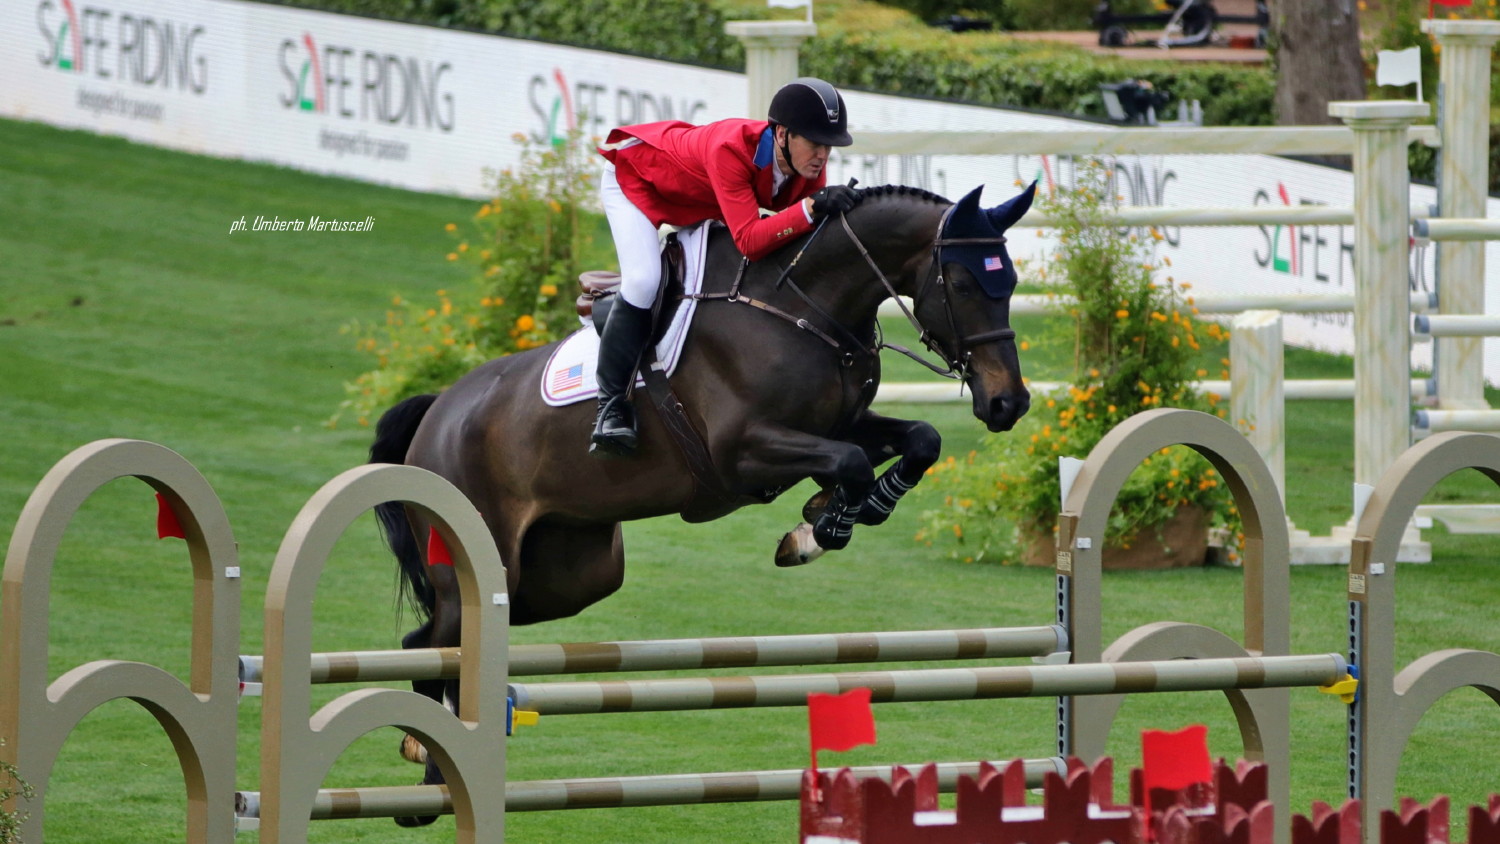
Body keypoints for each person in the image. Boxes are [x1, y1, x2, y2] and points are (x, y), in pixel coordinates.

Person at [590, 77, 860, 457]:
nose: (822, 156)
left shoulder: (807, 169)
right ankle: (611, 406)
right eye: (815, 143)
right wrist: (810, 210)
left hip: (697, 202)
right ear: (782, 134)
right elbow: (750, 240)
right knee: (644, 280)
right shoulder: (730, 149)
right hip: (636, 182)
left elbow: (801, 236)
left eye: (829, 147)